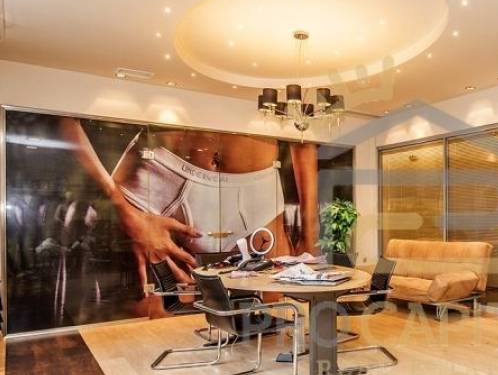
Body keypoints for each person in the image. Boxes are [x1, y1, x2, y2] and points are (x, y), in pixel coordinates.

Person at [60, 119, 319, 290]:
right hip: (158, 185)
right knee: (155, 323)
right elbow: (64, 119)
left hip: (258, 193)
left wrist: (310, 233)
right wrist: (123, 209)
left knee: (276, 312)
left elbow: (304, 132)